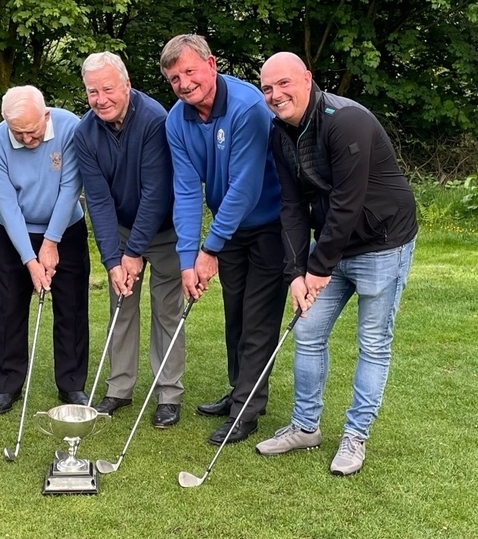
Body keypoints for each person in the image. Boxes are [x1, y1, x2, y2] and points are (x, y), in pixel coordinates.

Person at [254, 52, 418, 476]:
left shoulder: (347, 121)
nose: (275, 95)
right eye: (267, 88)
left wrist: (317, 269)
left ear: (307, 79)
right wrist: (295, 272)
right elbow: (291, 205)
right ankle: (306, 427)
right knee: (307, 332)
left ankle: (355, 435)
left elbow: (347, 202)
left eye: (284, 84)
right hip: (333, 244)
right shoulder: (279, 133)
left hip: (384, 241)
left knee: (373, 342)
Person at [160, 35, 287, 445]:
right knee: (235, 314)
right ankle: (240, 393)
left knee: (258, 317)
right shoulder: (176, 120)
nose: (183, 83)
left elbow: (245, 187)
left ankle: (247, 410)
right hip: (229, 231)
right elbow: (185, 191)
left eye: (190, 71)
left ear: (211, 64)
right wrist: (187, 258)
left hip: (270, 225)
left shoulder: (249, 107)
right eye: (174, 77)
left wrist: (209, 248)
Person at [74, 52, 186, 428]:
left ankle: (169, 393)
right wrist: (112, 259)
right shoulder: (84, 133)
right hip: (121, 229)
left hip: (166, 230)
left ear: (126, 85)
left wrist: (135, 252)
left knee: (167, 310)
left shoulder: (155, 119)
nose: (100, 98)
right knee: (121, 305)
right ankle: (119, 388)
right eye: (93, 92)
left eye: (108, 89)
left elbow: (156, 192)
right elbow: (99, 202)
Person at [0, 85, 90, 414]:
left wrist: (51, 242)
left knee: (71, 308)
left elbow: (71, 187)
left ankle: (71, 383)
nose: (28, 140)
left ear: (46, 115)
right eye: (20, 133)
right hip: (15, 232)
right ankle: (7, 384)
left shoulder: (70, 126)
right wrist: (30, 259)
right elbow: (7, 207)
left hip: (66, 230)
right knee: (10, 308)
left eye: (33, 132)